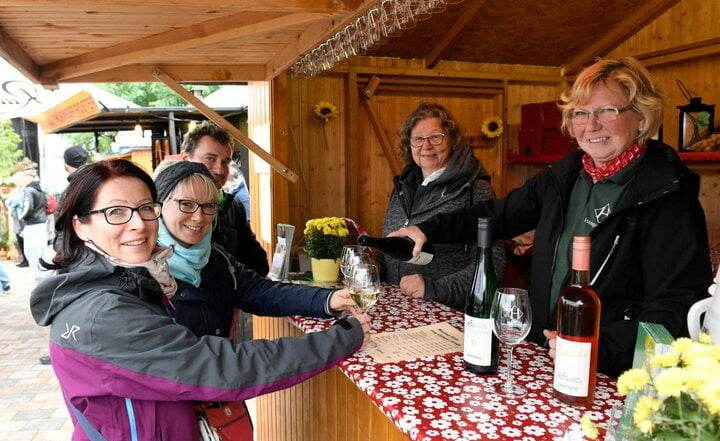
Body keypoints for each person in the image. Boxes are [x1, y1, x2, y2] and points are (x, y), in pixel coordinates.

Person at [390, 57, 713, 378]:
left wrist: (597, 347)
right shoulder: (568, 174)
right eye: (581, 114)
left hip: (611, 376)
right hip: (545, 355)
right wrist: (425, 229)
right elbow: (497, 215)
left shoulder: (666, 195)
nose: (591, 126)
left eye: (607, 111)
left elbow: (673, 306)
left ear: (641, 118)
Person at [30, 159, 369, 440]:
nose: (136, 223)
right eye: (116, 212)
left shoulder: (143, 273)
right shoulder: (104, 311)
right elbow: (222, 367)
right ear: (81, 226)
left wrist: (326, 300)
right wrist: (344, 336)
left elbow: (257, 291)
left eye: (144, 209)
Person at [154, 160, 357, 338]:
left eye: (209, 206)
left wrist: (328, 299)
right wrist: (335, 341)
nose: (199, 217)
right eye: (186, 204)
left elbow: (261, 292)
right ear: (159, 205)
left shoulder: (217, 258)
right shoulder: (144, 274)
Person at [381, 102, 505, 308]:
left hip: (448, 314)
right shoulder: (403, 186)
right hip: (400, 309)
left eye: (435, 137)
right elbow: (392, 252)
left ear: (452, 140)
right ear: (408, 144)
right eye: (418, 139)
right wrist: (371, 269)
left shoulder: (475, 190)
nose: (426, 146)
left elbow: (494, 264)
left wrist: (435, 288)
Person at [180, 121, 268, 276]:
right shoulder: (165, 206)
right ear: (186, 159)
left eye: (226, 161)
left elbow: (258, 261)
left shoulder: (234, 206)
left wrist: (238, 283)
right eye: (210, 158)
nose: (219, 169)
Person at [40, 145, 90, 366]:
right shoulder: (97, 181)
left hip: (78, 256)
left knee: (70, 303)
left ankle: (67, 347)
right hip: (92, 255)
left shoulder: (74, 187)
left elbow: (64, 226)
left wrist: (61, 252)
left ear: (65, 163)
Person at [10, 169, 49, 282]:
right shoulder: (39, 188)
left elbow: (28, 207)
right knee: (42, 249)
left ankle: (38, 275)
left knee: (32, 251)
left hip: (32, 223)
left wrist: (22, 217)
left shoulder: (29, 190)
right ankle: (45, 272)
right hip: (42, 222)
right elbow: (45, 205)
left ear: (27, 178)